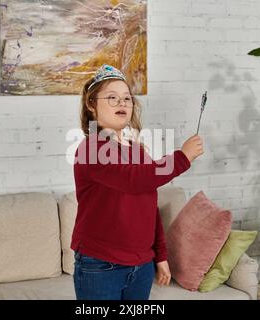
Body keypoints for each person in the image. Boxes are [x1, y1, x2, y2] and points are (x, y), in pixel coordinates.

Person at [71, 64, 204, 300]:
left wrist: (160, 256)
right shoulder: (91, 149)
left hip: (142, 266)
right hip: (101, 266)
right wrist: (182, 157)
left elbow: (149, 206)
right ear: (92, 105)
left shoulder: (138, 151)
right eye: (112, 98)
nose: (122, 103)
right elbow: (132, 180)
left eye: (126, 98)